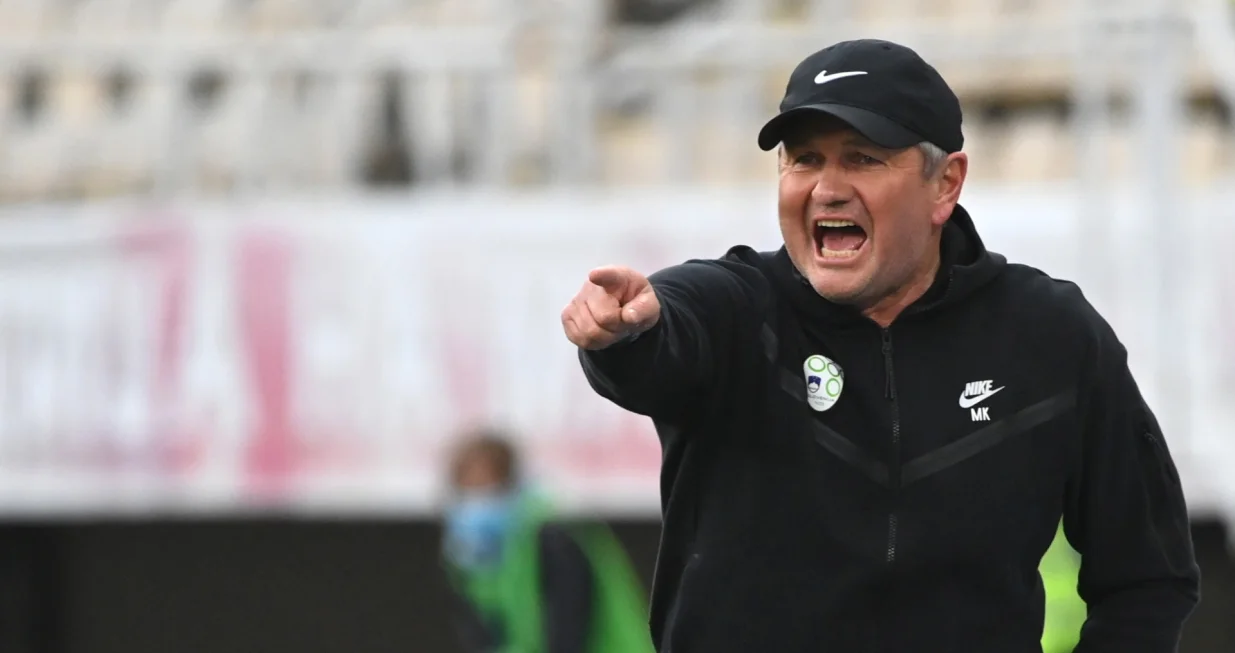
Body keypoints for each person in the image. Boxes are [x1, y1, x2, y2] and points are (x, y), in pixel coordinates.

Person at [560, 38, 1200, 653]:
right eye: (803, 159)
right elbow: (662, 338)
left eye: (862, 158)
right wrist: (625, 334)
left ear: (945, 184)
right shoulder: (734, 308)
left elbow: (1149, 573)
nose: (827, 187)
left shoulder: (1050, 333)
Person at [440, 428, 655, 653]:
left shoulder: (557, 536)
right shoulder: (471, 555)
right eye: (467, 489)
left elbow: (569, 630)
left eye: (484, 487)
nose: (476, 501)